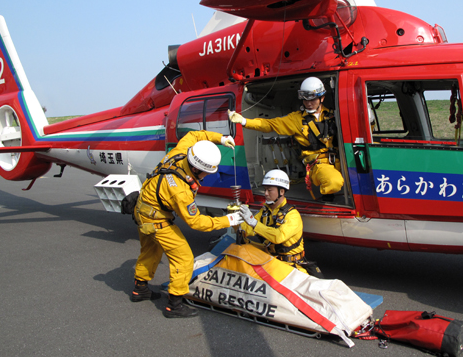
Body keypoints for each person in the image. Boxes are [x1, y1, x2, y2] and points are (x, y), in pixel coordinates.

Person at [131, 130, 243, 318]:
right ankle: (174, 305)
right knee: (183, 258)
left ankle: (139, 289)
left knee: (151, 251)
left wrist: (221, 139)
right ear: (198, 169)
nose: (207, 175)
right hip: (156, 220)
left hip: (142, 210)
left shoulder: (179, 153)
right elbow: (196, 222)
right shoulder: (180, 191)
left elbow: (194, 135)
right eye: (207, 172)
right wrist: (228, 220)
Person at [228, 76, 343, 202]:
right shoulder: (295, 119)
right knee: (334, 182)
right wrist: (244, 121)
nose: (308, 103)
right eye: (305, 100)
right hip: (319, 164)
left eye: (313, 99)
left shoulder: (334, 114)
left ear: (322, 98)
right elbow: (270, 124)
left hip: (341, 159)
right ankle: (327, 197)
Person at [237, 169, 322, 277]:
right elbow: (247, 230)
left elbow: (278, 236)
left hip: (290, 265)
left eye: (269, 190)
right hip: (270, 259)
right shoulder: (265, 211)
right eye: (265, 190)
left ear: (281, 192)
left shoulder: (293, 215)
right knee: (241, 249)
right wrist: (236, 220)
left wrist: (254, 223)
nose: (265, 194)